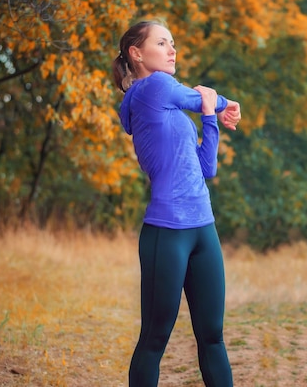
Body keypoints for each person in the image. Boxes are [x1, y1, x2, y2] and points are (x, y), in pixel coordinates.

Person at [112, 19, 240, 387]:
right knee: (153, 340)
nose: (173, 51)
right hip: (167, 233)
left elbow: (207, 167)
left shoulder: (166, 101)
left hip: (203, 228)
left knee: (212, 337)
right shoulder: (153, 87)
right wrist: (224, 103)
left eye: (173, 44)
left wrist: (213, 117)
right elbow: (199, 97)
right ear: (137, 54)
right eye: (162, 43)